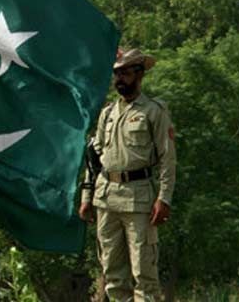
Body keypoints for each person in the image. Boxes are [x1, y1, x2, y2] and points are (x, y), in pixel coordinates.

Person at [79, 48, 176, 302]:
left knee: (144, 274)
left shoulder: (153, 111)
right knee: (112, 273)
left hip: (138, 199)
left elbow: (167, 158)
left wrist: (164, 198)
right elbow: (94, 158)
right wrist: (86, 196)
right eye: (116, 74)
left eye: (125, 73)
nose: (119, 79)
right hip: (106, 198)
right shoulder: (108, 113)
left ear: (139, 74)